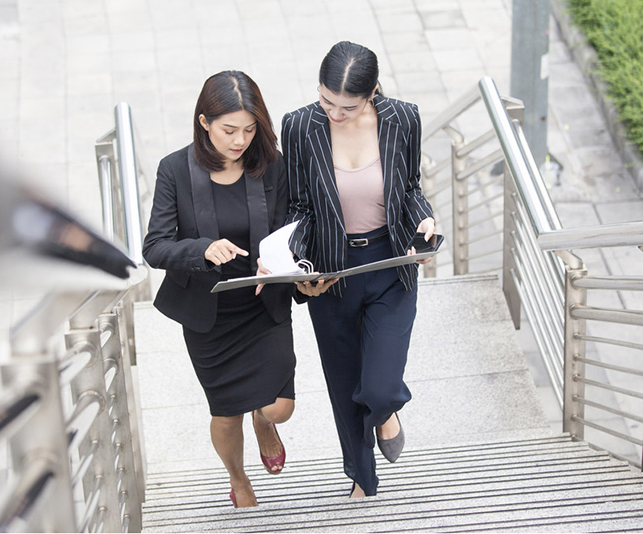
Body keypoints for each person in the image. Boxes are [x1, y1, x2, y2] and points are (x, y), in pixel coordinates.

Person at [281, 41, 435, 498]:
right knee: (344, 379)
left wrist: (424, 218)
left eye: (347, 105)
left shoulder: (403, 118)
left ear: (371, 95)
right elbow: (298, 206)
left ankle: (386, 410)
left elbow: (410, 188)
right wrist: (301, 268)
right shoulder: (298, 126)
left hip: (390, 262)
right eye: (326, 100)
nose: (333, 112)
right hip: (333, 270)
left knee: (380, 385)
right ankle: (361, 477)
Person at [142, 71, 295, 508]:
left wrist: (283, 263)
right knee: (225, 415)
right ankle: (238, 479)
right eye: (229, 130)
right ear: (204, 122)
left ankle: (264, 422)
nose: (240, 140)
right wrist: (203, 249)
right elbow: (155, 247)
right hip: (210, 318)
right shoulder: (174, 169)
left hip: (262, 305)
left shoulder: (271, 165)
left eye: (249, 130)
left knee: (279, 407)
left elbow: (288, 229)